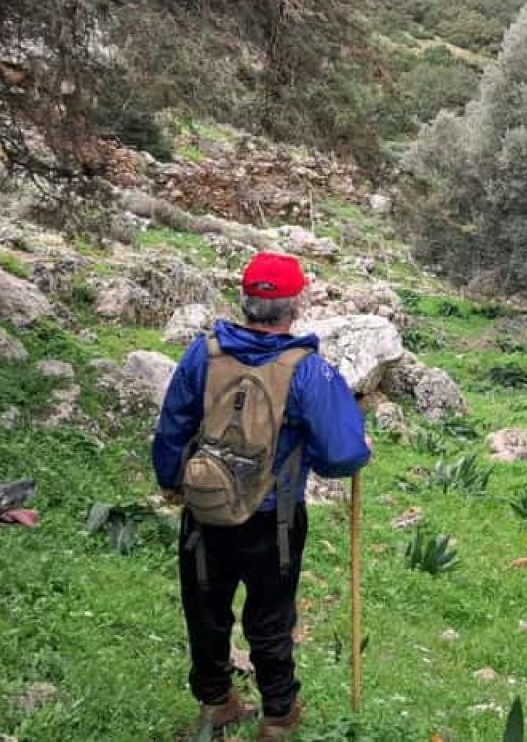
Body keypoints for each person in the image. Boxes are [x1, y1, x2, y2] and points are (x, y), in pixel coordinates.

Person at [152, 252, 370, 739]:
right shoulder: (307, 369)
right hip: (274, 519)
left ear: (246, 301)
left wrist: (172, 482)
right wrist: (360, 450)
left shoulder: (203, 353)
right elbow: (341, 455)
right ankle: (278, 717)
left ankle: (216, 704)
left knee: (205, 610)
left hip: (205, 511)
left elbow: (173, 428)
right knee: (270, 616)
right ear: (296, 305)